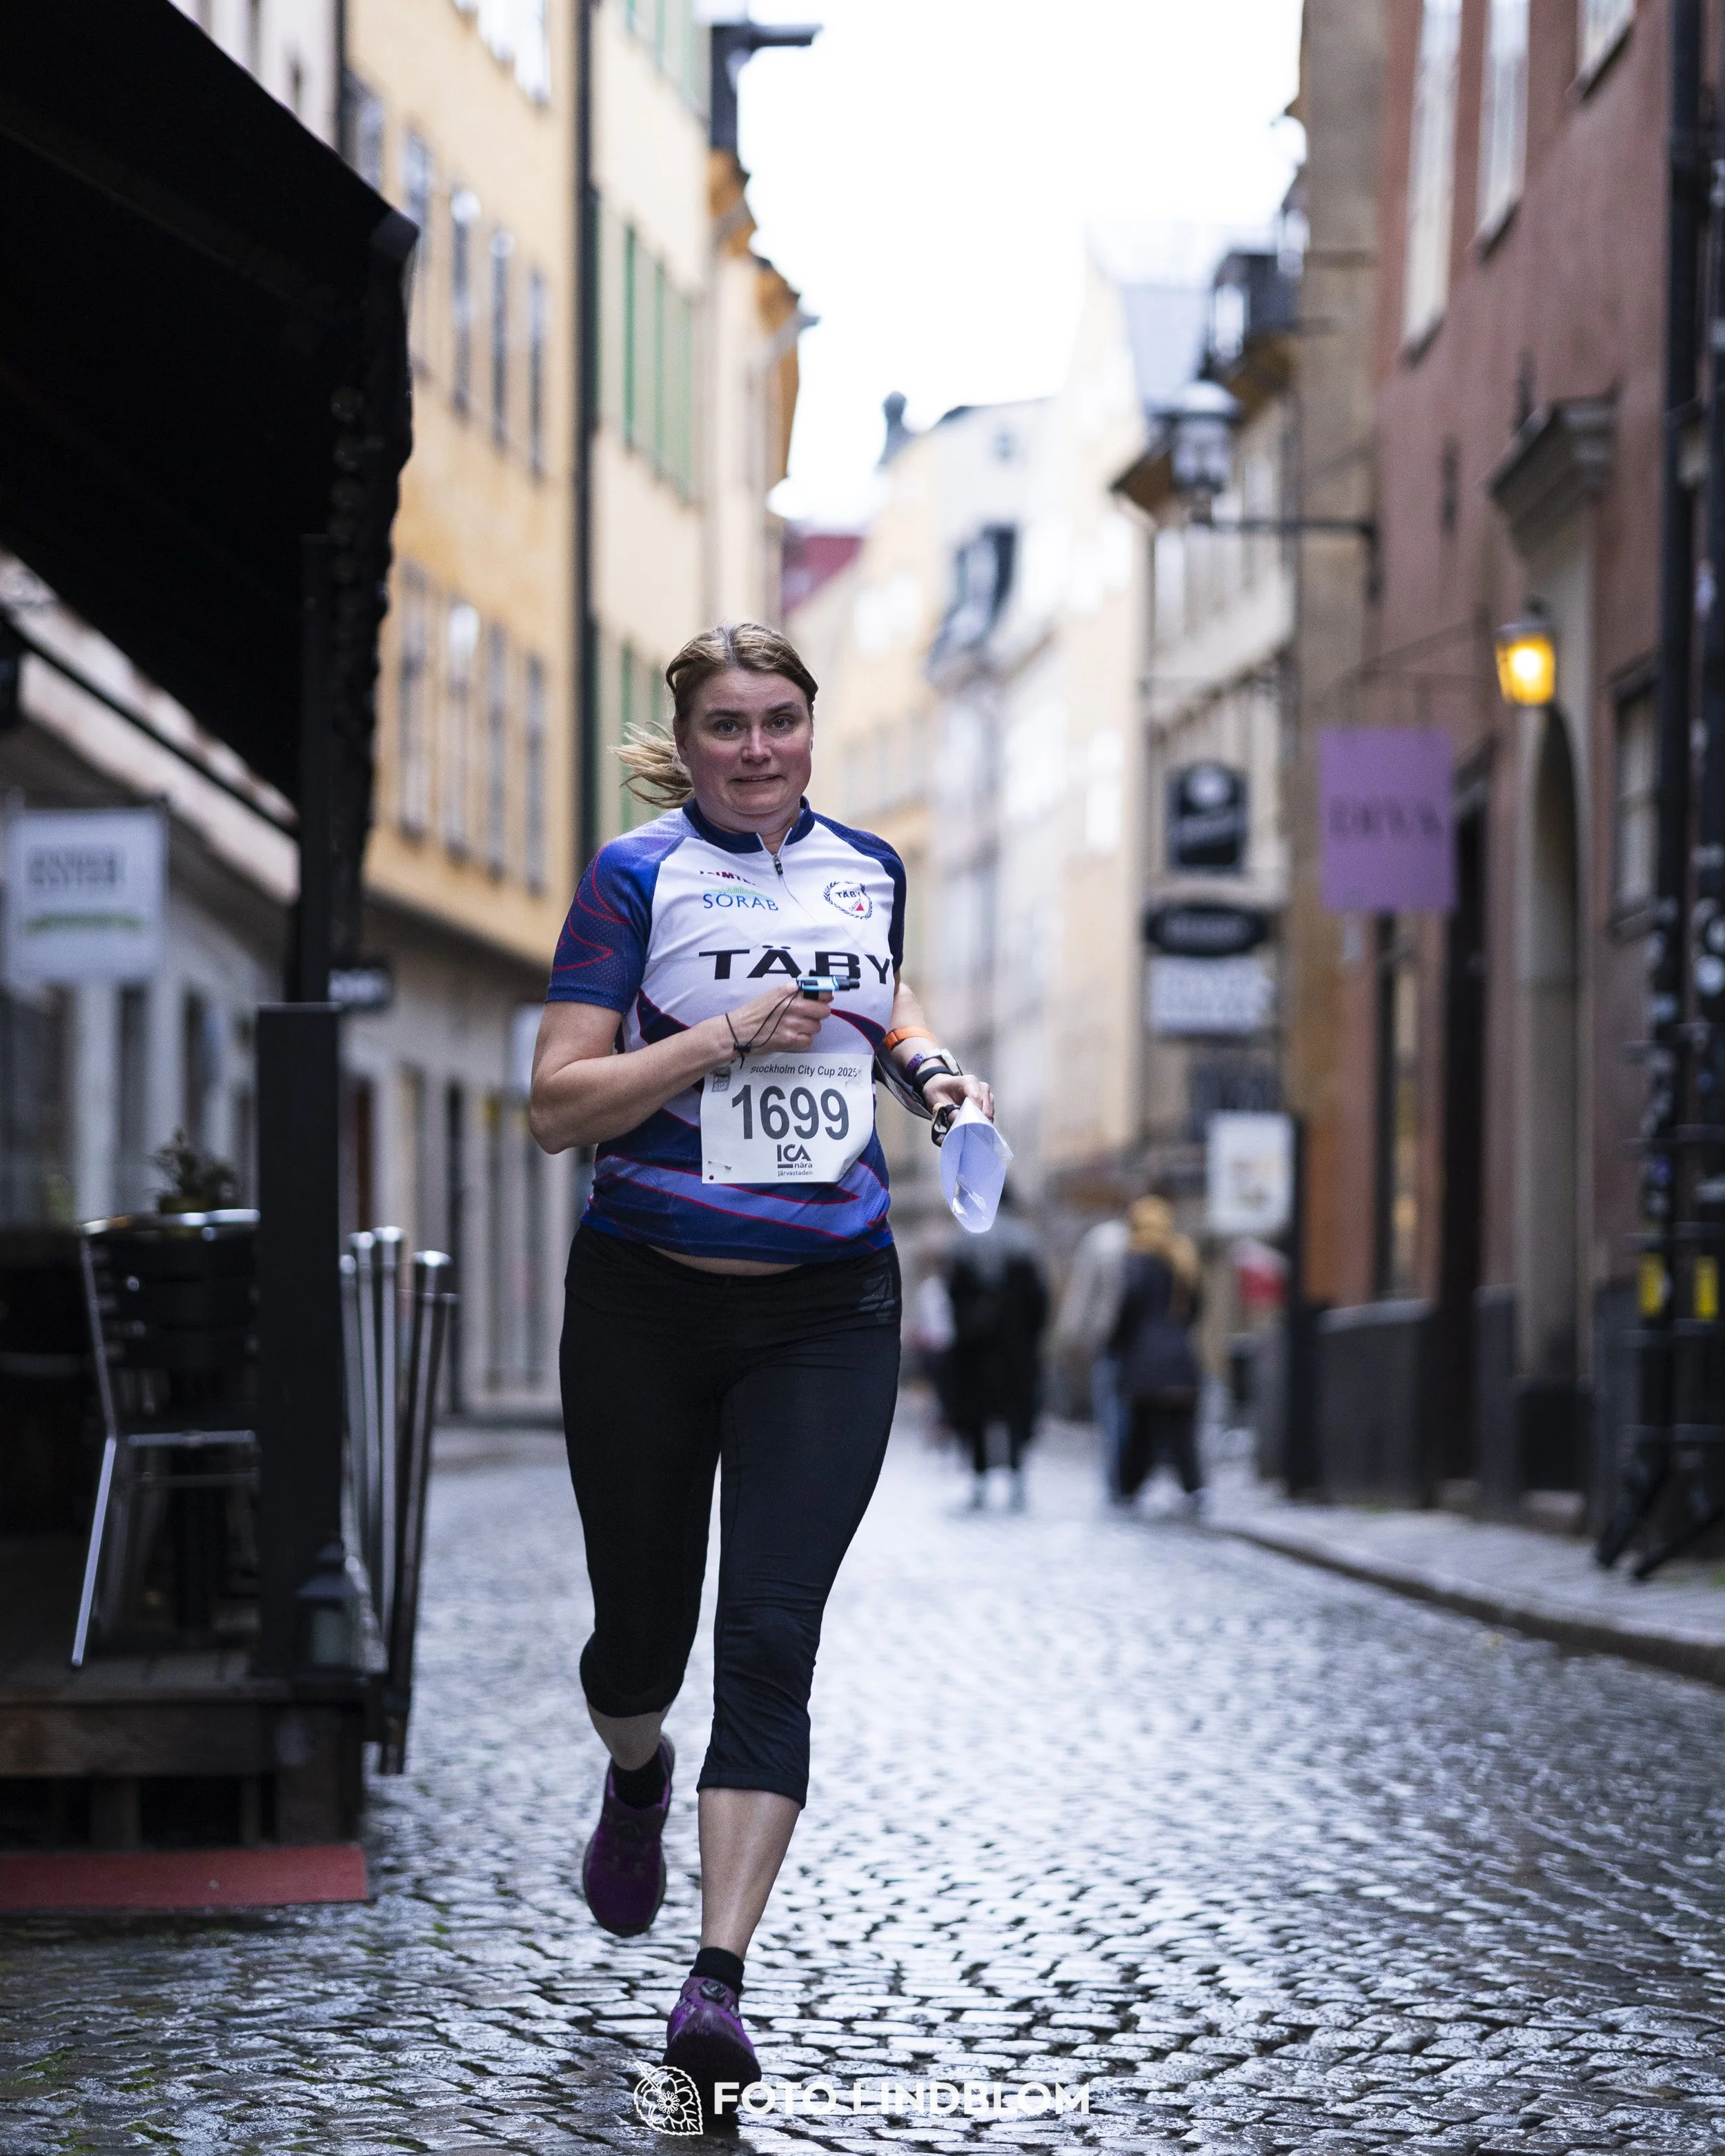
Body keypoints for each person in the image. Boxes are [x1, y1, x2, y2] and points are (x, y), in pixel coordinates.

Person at [529, 622, 994, 2128]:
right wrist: (722, 1033)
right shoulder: (632, 877)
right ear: (689, 734)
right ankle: (636, 1770)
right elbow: (555, 1101)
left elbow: (881, 999)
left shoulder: (865, 862)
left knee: (773, 1629)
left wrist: (930, 1072)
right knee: (637, 1638)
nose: (755, 746)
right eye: (725, 723)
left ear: (809, 728)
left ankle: (714, 1977)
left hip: (827, 1306)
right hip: (646, 1303)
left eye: (779, 720)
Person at [942, 1189, 1049, 1510]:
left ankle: (979, 1479)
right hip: (1015, 1348)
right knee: (1015, 1414)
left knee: (976, 1414)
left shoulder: (962, 1239)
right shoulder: (1024, 1241)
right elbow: (1038, 1301)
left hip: (974, 1349)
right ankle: (1016, 1476)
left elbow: (953, 1295)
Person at [1108, 1196, 1205, 1512]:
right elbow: (1196, 1310)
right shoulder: (1184, 1258)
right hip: (1180, 1359)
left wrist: (1116, 1346)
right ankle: (1193, 1487)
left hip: (1143, 1362)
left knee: (1141, 1432)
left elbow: (1127, 1310)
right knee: (1182, 1433)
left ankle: (1128, 1489)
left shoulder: (1135, 1260)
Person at [1053, 1210, 1130, 1499]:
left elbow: (1082, 1296)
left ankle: (1118, 1478)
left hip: (1109, 1340)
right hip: (1141, 1344)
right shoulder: (1164, 1241)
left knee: (1114, 1412)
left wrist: (1072, 1338)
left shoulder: (1103, 1241)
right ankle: (1127, 1477)